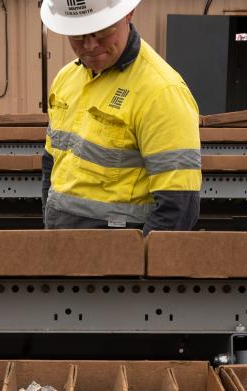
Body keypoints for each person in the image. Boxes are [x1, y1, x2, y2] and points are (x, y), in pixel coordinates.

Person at [40, 0, 201, 234]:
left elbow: (178, 205)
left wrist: (138, 264)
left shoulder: (161, 91)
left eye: (102, 32)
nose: (90, 45)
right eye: (77, 35)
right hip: (60, 243)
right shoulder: (66, 79)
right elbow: (51, 162)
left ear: (128, 14)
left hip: (118, 256)